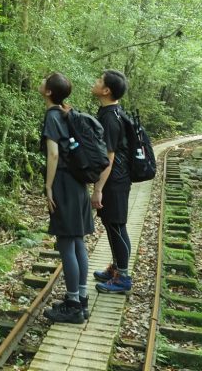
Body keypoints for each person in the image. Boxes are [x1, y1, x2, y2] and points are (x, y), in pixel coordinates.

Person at [38, 72, 94, 324]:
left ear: (49, 92)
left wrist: (48, 187)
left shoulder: (52, 116)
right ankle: (80, 299)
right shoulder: (65, 113)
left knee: (66, 244)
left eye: (44, 81)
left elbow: (53, 154)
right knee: (77, 242)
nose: (41, 82)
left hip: (63, 184)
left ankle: (73, 306)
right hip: (79, 184)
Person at [91, 69, 133, 294]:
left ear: (106, 90)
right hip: (116, 178)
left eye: (99, 80)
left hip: (114, 180)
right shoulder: (111, 112)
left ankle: (123, 278)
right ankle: (117, 269)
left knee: (117, 227)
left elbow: (109, 156)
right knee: (112, 225)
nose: (95, 82)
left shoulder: (110, 117)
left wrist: (98, 189)